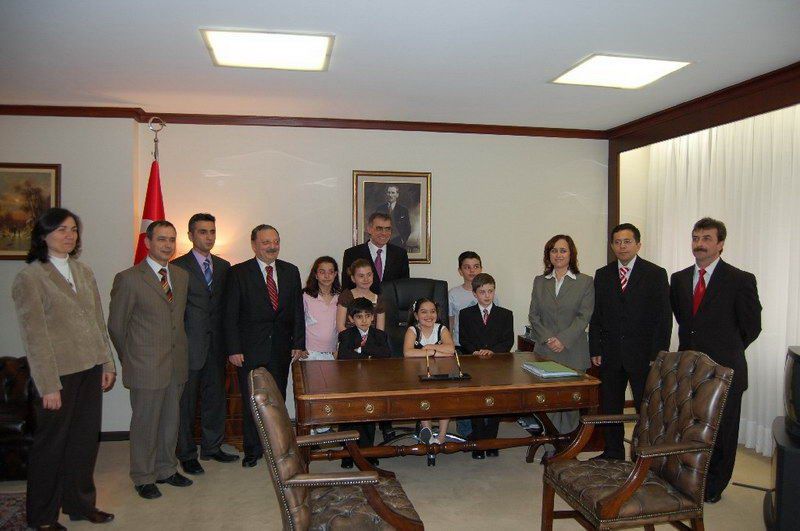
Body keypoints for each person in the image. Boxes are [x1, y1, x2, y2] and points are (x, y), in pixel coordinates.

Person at [12, 208, 116, 528]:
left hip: (90, 369)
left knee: (83, 443)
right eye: (61, 230)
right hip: (58, 375)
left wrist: (107, 362)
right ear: (43, 235)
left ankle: (80, 504)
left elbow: (97, 322)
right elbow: (35, 337)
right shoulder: (30, 277)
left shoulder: (83, 271)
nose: (69, 235)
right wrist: (48, 385)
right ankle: (42, 517)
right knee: (50, 448)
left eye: (73, 229)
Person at [670, 217, 761, 503]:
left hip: (726, 370)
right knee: (691, 429)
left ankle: (714, 486)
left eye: (707, 239)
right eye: (695, 238)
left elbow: (752, 326)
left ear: (720, 244)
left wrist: (727, 350)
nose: (699, 244)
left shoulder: (740, 279)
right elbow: (685, 321)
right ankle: (689, 478)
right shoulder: (679, 279)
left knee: (722, 432)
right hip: (690, 369)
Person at [108, 220, 192, 499]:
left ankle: (166, 469)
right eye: (161, 239)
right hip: (145, 365)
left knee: (170, 421)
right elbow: (116, 326)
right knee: (145, 423)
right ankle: (143, 476)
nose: (167, 245)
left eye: (172, 239)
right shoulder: (129, 278)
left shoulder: (181, 276)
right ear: (148, 242)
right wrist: (131, 359)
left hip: (175, 363)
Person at [223, 224, 305, 468]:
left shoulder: (291, 271)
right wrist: (233, 348)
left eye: (276, 241)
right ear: (254, 245)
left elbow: (297, 311)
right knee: (253, 401)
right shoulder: (238, 272)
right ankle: (252, 449)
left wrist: (298, 342)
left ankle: (278, 449)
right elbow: (230, 314)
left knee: (277, 401)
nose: (272, 246)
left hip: (281, 349)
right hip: (249, 350)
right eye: (266, 242)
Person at [588, 223, 672, 460]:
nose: (622, 246)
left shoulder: (655, 274)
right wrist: (595, 347)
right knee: (610, 406)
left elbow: (664, 318)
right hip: (611, 353)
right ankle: (613, 451)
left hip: (644, 355)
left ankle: (642, 455)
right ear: (612, 246)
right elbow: (597, 315)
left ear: (638, 244)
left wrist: (658, 354)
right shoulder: (603, 274)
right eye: (617, 242)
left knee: (645, 408)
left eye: (627, 241)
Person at [171, 213, 238, 477]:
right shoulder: (177, 266)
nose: (208, 237)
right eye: (202, 232)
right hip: (189, 346)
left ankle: (212, 447)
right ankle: (186, 454)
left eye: (212, 232)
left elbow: (226, 308)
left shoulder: (223, 266)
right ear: (190, 235)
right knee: (186, 404)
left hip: (216, 345)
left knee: (215, 399)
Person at [528, 235, 594, 458]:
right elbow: (533, 316)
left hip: (572, 350)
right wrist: (548, 339)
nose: (558, 254)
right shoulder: (540, 281)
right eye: (553, 250)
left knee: (570, 404)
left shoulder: (585, 281)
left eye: (563, 250)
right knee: (547, 402)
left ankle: (567, 450)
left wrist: (563, 340)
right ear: (548, 255)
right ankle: (551, 448)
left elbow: (584, 316)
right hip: (545, 351)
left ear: (571, 254)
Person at [459, 273, 514, 459]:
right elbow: (463, 339)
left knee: (495, 403)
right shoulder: (466, 314)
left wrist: (491, 351)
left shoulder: (505, 314)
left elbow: (508, 341)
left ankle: (491, 442)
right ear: (475, 294)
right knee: (476, 404)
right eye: (482, 292)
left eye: (490, 291)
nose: (487, 295)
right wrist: (475, 351)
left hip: (496, 364)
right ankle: (478, 443)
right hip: (475, 364)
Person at [336, 297, 392, 468]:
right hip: (350, 382)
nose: (364, 320)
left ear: (373, 317)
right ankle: (348, 454)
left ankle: (368, 453)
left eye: (368, 316)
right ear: (351, 319)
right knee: (349, 419)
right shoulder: (346, 335)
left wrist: (361, 349)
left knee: (368, 418)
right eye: (359, 317)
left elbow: (385, 354)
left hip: (372, 382)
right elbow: (344, 356)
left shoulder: (380, 335)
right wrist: (369, 354)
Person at [403, 298, 456, 445]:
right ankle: (428, 433)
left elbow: (451, 349)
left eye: (432, 311)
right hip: (418, 375)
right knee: (424, 397)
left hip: (441, 373)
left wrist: (430, 347)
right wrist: (434, 353)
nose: (429, 315)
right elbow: (408, 352)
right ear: (416, 315)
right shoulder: (413, 330)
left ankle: (442, 436)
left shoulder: (441, 329)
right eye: (424, 312)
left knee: (445, 399)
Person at [341, 212, 409, 294]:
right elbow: (347, 288)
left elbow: (404, 287)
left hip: (391, 302)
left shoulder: (400, 254)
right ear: (369, 229)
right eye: (379, 228)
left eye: (387, 229)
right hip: (361, 301)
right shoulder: (352, 254)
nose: (384, 233)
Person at [302, 256, 341, 360]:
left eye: (330, 272)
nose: (326, 276)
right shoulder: (305, 296)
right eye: (322, 272)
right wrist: (300, 346)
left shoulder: (340, 297)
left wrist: (339, 348)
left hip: (332, 353)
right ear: (315, 275)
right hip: (309, 352)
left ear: (335, 274)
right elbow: (297, 323)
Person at [336, 258, 386, 332]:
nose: (366, 279)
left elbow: (380, 330)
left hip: (372, 339)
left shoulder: (379, 299)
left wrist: (369, 339)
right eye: (361, 276)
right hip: (349, 338)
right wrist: (354, 339)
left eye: (369, 275)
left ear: (373, 275)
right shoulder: (346, 296)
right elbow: (340, 326)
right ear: (353, 278)